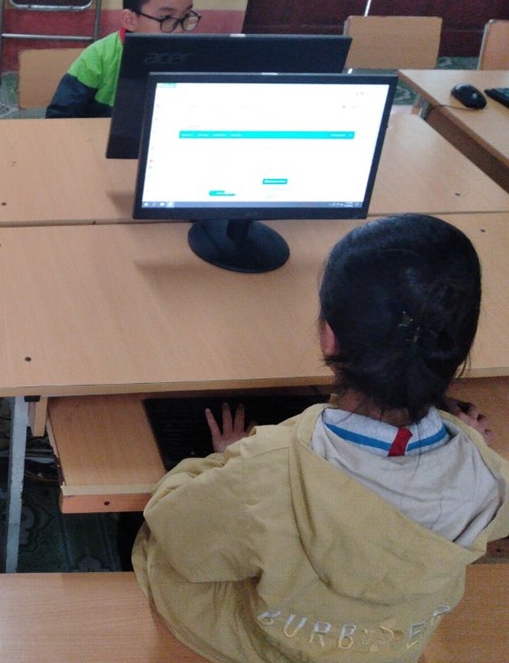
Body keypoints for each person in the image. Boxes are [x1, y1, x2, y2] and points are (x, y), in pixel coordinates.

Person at [132, 213, 509, 663]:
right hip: (388, 646)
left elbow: (179, 538)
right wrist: (475, 445)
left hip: (270, 644)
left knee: (152, 535)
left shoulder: (268, 470)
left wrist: (227, 461)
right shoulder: (488, 476)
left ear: (330, 339)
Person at [44, 0, 197, 118]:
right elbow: (59, 116)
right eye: (166, 18)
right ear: (129, 20)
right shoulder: (99, 56)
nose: (179, 30)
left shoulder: (190, 57)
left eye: (185, 16)